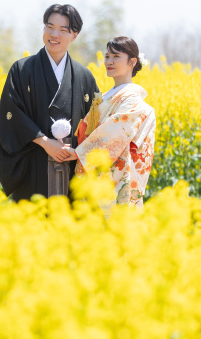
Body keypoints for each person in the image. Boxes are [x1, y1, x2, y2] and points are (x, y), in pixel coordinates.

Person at [0, 4, 100, 201]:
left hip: (71, 167)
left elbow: (95, 125)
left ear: (74, 35)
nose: (54, 34)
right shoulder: (22, 70)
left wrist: (79, 153)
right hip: (33, 166)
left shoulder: (84, 76)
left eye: (62, 30)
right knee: (34, 215)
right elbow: (11, 116)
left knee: (72, 215)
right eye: (49, 27)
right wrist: (45, 142)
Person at [64, 36, 156, 209]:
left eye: (116, 56)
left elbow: (116, 132)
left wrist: (79, 153)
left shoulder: (133, 100)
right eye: (107, 56)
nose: (109, 61)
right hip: (93, 173)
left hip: (115, 177)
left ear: (132, 61)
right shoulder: (106, 96)